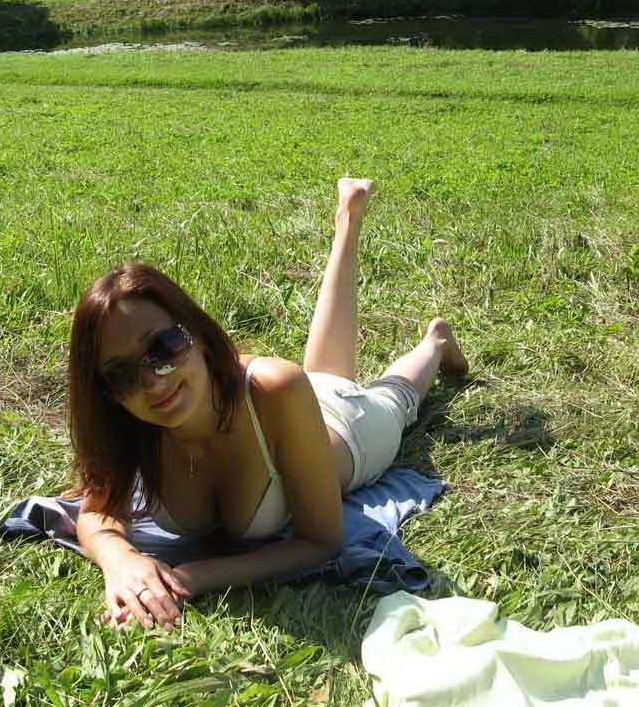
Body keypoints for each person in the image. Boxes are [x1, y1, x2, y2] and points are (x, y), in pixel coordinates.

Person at [68, 179, 468, 631]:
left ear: (197, 331)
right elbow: (96, 511)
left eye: (163, 348)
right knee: (326, 373)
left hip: (348, 426)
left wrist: (189, 577)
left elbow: (321, 542)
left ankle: (436, 342)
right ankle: (348, 219)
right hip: (295, 406)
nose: (151, 382)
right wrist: (120, 559)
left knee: (392, 397)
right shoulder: (126, 420)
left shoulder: (277, 386)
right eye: (122, 374)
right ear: (105, 390)